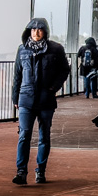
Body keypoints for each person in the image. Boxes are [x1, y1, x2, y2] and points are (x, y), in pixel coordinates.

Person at [12, 17, 69, 185]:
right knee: (24, 135)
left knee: (44, 136)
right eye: (33, 29)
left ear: (45, 31)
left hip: (46, 100)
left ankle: (41, 170)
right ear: (28, 31)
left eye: (39, 29)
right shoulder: (22, 49)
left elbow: (64, 70)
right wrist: (15, 97)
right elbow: (17, 75)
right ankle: (21, 172)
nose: (36, 32)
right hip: (26, 98)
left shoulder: (56, 49)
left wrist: (53, 88)